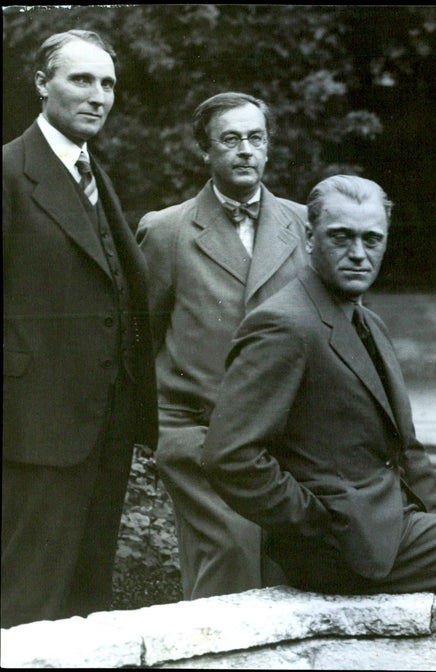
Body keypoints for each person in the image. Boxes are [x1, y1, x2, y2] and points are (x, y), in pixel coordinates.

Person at [201, 175, 436, 593]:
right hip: (341, 546)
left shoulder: (368, 321)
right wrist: (319, 523)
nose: (358, 254)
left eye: (372, 240)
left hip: (385, 525)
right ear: (310, 238)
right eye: (341, 238)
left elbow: (408, 451)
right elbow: (229, 457)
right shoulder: (284, 323)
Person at [2, 29, 157, 627]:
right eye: (81, 79)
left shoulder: (93, 175)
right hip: (33, 432)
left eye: (108, 83)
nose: (99, 96)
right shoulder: (11, 172)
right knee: (25, 606)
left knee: (87, 613)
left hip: (104, 431)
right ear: (42, 84)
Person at [136, 92, 308, 599]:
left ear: (269, 146)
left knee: (289, 574)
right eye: (230, 139)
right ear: (204, 151)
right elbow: (141, 338)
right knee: (229, 559)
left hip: (287, 440)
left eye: (255, 138)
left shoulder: (304, 225)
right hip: (200, 435)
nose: (245, 151)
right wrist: (160, 431)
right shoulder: (167, 231)